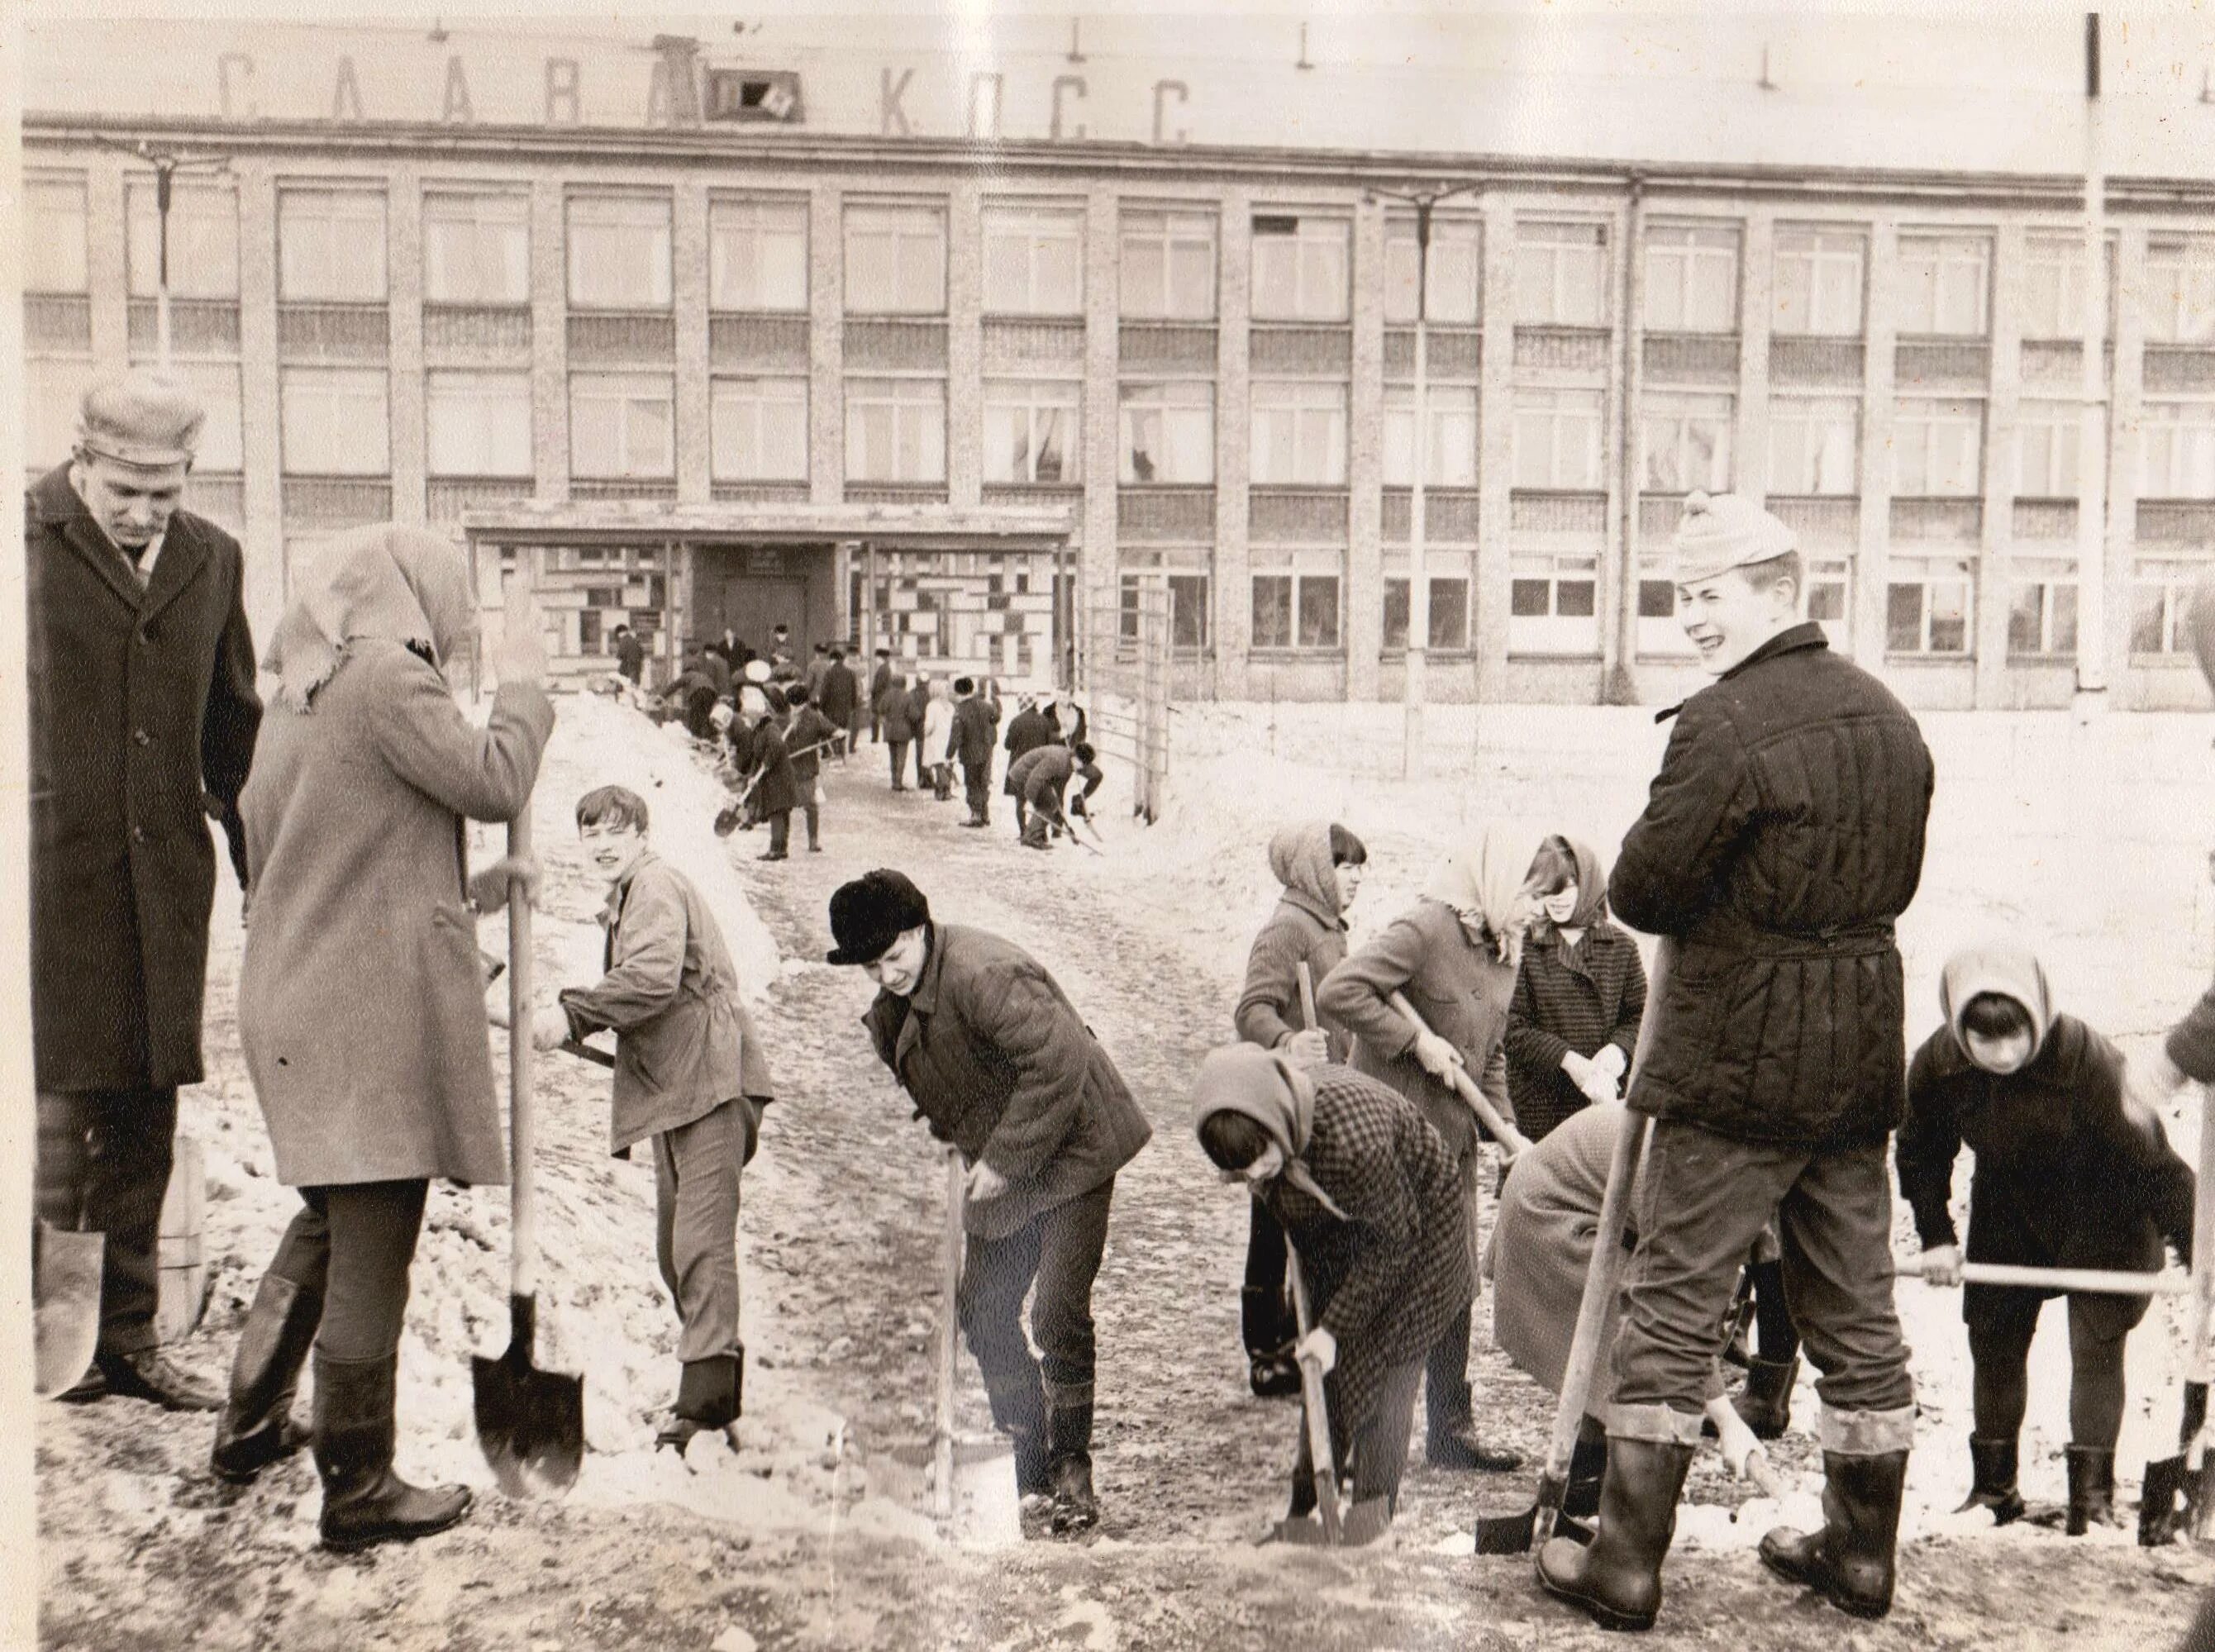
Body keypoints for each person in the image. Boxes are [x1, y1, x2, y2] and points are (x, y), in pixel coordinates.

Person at [1538, 491, 1933, 1632]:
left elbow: (1646, 889)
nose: (1692, 620)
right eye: (1680, 599)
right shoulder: (1892, 718)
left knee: (1670, 1301)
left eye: (1708, 597)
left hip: (1735, 1062)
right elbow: (1889, 881)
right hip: (1857, 1055)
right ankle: (1861, 1556)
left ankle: (1622, 1563)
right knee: (1858, 1308)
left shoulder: (1719, 722)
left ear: (1779, 590)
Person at [217, 524, 552, 1551]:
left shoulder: (299, 695)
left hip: (301, 996)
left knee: (329, 1216)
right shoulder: (380, 681)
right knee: (375, 1243)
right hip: (361, 1013)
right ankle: (357, 1486)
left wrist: (460, 892)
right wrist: (529, 689)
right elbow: (494, 780)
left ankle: (249, 1420)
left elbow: (330, 854)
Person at [31, 368, 263, 1410]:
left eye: (162, 495)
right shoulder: (22, 540)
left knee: (142, 1108)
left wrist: (268, 875)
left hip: (159, 884)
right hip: (42, 882)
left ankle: (124, 1338)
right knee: (45, 1109)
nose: (141, 514)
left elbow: (233, 733)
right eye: (123, 489)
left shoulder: (214, 560)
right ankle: (35, 1332)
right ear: (82, 460)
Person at [827, 870, 1152, 1535]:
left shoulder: (985, 974)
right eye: (871, 965)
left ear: (920, 931)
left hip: (1074, 1148)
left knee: (1059, 1309)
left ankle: (1071, 1464)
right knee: (983, 1307)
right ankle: (1027, 1458)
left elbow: (1057, 1061)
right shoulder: (891, 1014)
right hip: (1005, 1158)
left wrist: (1002, 1159)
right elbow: (938, 1082)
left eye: (894, 956)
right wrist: (954, 1139)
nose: (885, 974)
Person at [500, 785, 777, 1454]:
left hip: (709, 1078)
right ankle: (716, 1381)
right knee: (672, 1249)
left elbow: (653, 978)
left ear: (642, 834)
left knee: (698, 1246)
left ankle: (706, 1406)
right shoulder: (627, 896)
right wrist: (566, 1016)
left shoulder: (653, 886)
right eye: (590, 833)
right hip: (678, 1085)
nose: (601, 845)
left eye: (614, 833)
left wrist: (575, 1012)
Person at [1898, 940, 2194, 1535]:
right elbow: (1922, 1149)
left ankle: (2093, 1501)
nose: (2004, 1053)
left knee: (2096, 1345)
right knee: (1995, 1337)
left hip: (2105, 1208)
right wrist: (1935, 1234)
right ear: (1961, 1030)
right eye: (1986, 1039)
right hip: (2008, 1205)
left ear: (2040, 1016)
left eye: (2016, 1036)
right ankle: (1993, 1491)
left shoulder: (2085, 1060)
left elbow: (2153, 1162)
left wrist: (2195, 1247)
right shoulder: (1939, 1063)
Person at [1318, 827, 1560, 1474]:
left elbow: (1494, 1053)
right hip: (1390, 1136)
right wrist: (1411, 1040)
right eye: (1534, 894)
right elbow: (1339, 990)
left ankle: (1451, 1429)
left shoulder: (1507, 952)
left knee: (1453, 1283)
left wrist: (1506, 1129)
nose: (1539, 909)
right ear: (1502, 882)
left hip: (1452, 1142)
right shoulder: (1426, 929)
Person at [1193, 1044, 1471, 1546]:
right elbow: (1292, 1211)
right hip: (1348, 1233)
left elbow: (1395, 1245)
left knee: (1387, 1378)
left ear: (1277, 1127)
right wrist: (1323, 1327)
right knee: (1325, 1374)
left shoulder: (1350, 1140)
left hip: (1421, 1242)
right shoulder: (1264, 1127)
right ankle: (1306, 1512)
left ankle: (1371, 1521)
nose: (1254, 1174)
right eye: (1243, 1168)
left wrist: (1335, 1327)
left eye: (1259, 1160)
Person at [1489, 1104, 1744, 1528]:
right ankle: (1597, 1483)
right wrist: (1726, 1418)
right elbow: (1672, 1305)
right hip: (1548, 1213)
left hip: (1579, 1201)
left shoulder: (1708, 1155)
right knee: (1624, 1327)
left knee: (1615, 1344)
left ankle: (1588, 1471)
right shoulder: (1676, 1171)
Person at [1231, 822, 1367, 1397]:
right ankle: (1266, 1351)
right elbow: (1251, 1009)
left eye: (1361, 867)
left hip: (1324, 1096)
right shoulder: (1287, 929)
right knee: (1273, 1225)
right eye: (1345, 866)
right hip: (1285, 1102)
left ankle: (1295, 1335)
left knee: (1311, 1220)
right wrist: (1287, 1040)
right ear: (1316, 869)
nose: (1356, 878)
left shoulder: (1328, 927)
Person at [1504, 836, 1647, 1144]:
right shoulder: (1525, 945)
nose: (1555, 899)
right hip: (1541, 1106)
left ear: (1586, 882)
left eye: (1564, 887)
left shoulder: (1621, 947)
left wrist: (1618, 1051)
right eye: (1546, 891)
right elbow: (1511, 1027)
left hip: (1602, 1100)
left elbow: (1642, 1017)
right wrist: (1568, 1060)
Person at [1009, 741, 1103, 850]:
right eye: (1083, 764)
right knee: (1049, 803)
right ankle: (1031, 838)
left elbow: (1095, 775)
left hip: (1040, 776)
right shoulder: (1057, 760)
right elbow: (1034, 780)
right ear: (1076, 758)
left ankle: (1036, 833)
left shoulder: (1071, 760)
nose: (1083, 768)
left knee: (1051, 802)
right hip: (1022, 775)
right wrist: (1035, 801)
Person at [782, 684, 840, 855]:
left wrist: (838, 732)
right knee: (783, 808)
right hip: (786, 767)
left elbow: (831, 729)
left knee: (810, 806)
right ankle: (781, 842)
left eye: (796, 705)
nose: (794, 708)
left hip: (805, 769)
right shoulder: (785, 717)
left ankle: (813, 841)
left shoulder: (814, 717)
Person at [745, 699, 799, 862]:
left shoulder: (771, 729)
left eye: (751, 715)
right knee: (780, 812)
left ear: (759, 715)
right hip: (774, 779)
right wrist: (752, 776)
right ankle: (781, 849)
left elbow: (777, 745)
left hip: (780, 778)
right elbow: (757, 757)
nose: (749, 719)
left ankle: (776, 850)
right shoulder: (759, 731)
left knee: (777, 812)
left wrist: (767, 763)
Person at [950, 677, 1003, 829]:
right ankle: (984, 814)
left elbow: (956, 736)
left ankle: (976, 815)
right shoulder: (985, 705)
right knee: (983, 782)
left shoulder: (960, 710)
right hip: (986, 750)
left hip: (969, 753)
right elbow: (996, 718)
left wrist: (949, 754)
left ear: (959, 693)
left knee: (972, 783)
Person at [1003, 695, 1060, 832]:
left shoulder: (1016, 721)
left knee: (1020, 802)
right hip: (1040, 766)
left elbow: (1008, 745)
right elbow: (1050, 744)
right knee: (1040, 801)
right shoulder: (1045, 721)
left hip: (1019, 766)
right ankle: (1039, 832)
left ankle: (1023, 831)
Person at [878, 664, 917, 792]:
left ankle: (894, 780)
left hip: (889, 730)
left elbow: (880, 709)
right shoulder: (907, 696)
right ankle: (898, 782)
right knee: (901, 757)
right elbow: (914, 715)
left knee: (893, 756)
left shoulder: (887, 695)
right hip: (903, 731)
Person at [817, 646, 860, 758]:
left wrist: (821, 707)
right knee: (842, 730)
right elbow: (854, 692)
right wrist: (853, 706)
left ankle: (835, 754)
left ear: (833, 660)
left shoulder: (829, 673)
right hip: (845, 710)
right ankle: (841, 754)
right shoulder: (850, 673)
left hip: (830, 710)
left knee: (832, 731)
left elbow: (824, 693)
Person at [922, 677, 955, 802]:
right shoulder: (950, 706)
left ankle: (941, 790)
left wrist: (925, 732)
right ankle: (947, 790)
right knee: (947, 764)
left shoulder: (932, 706)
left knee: (938, 765)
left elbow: (929, 725)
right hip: (948, 737)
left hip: (935, 738)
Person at [903, 674, 934, 791]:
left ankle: (922, 778)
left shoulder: (912, 694)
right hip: (929, 727)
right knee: (928, 753)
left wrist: (917, 719)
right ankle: (927, 779)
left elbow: (909, 712)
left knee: (920, 754)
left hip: (918, 727)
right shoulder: (930, 694)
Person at [869, 647, 894, 743]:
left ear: (881, 657)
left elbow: (878, 686)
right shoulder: (886, 668)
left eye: (877, 657)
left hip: (879, 699)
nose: (876, 660)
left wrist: (872, 691)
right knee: (882, 719)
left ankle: (876, 739)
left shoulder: (883, 669)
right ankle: (884, 738)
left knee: (877, 719)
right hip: (884, 698)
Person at [612, 623, 645, 687]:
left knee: (623, 691)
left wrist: (616, 670)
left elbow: (619, 657)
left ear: (619, 633)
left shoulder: (623, 641)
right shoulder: (635, 641)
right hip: (636, 670)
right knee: (634, 689)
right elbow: (642, 655)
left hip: (626, 671)